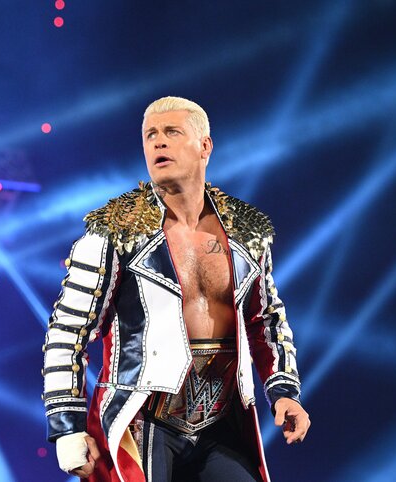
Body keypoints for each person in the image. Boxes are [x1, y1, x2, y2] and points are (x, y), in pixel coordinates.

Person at [42, 96, 310, 482]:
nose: (159, 142)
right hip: (139, 418)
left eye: (172, 132)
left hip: (221, 422)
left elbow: (266, 320)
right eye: (150, 135)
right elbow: (67, 330)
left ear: (205, 146)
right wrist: (67, 425)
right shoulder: (113, 231)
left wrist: (284, 391)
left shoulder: (246, 234)